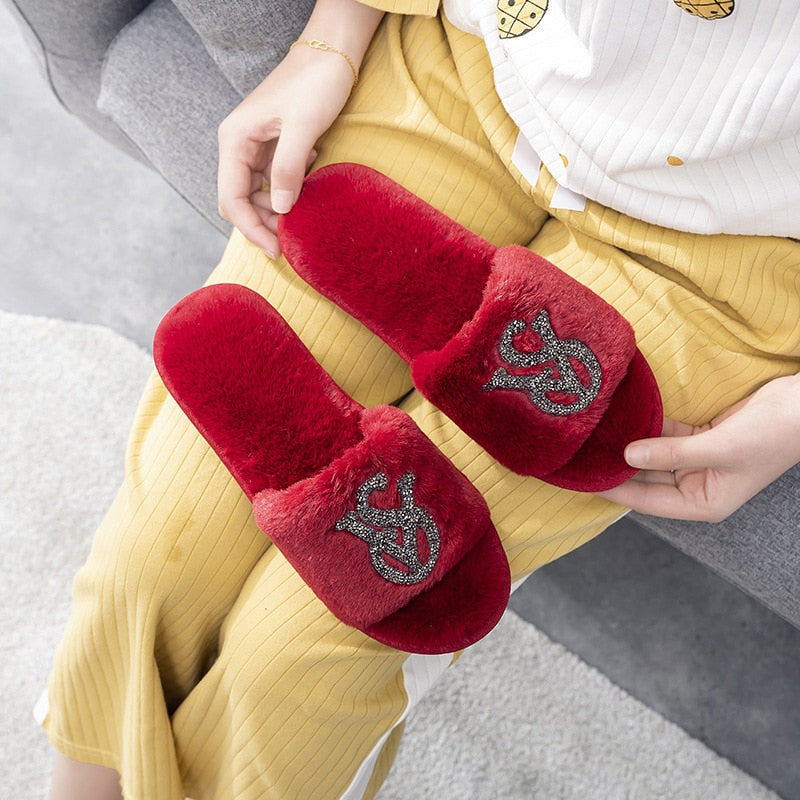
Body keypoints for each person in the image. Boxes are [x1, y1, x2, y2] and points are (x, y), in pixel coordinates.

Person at [44, 0, 800, 797]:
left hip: (731, 253)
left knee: (299, 655)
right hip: (474, 76)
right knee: (151, 561)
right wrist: (330, 37)